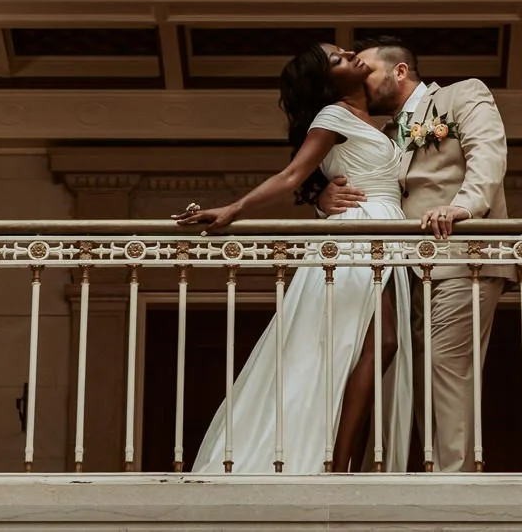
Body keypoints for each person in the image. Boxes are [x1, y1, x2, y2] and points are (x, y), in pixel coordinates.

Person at [175, 43, 413, 473]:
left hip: (384, 232)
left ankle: (339, 459)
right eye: (337, 60)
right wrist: (233, 209)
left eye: (343, 50)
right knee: (380, 343)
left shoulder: (376, 121)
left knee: (377, 345)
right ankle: (337, 464)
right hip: (357, 239)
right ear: (326, 82)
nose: (348, 54)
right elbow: (291, 176)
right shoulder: (332, 116)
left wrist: (325, 201)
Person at [316, 38, 510, 472]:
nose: (359, 78)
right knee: (415, 374)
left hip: (462, 257)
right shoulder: (379, 134)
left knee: (446, 369)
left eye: (365, 68)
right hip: (405, 272)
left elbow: (488, 153)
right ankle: (422, 474)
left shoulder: (462, 95)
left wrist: (466, 205)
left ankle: (452, 483)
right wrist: (324, 197)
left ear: (399, 71)